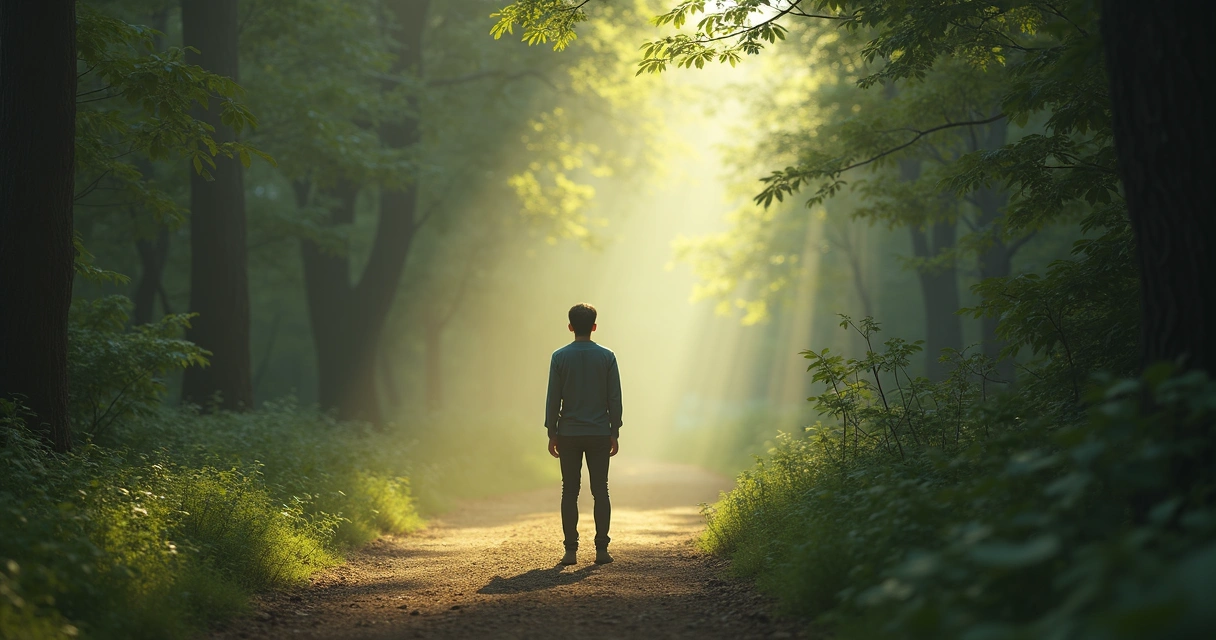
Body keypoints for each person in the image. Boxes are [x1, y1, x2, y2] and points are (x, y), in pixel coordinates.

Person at [545, 303, 622, 566]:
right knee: (601, 489)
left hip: (568, 433)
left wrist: (552, 431)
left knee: (570, 490)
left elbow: (553, 398)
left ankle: (570, 551)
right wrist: (614, 430)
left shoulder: (559, 357)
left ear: (570, 327)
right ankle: (601, 550)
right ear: (594, 327)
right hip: (599, 432)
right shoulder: (607, 357)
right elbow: (614, 397)